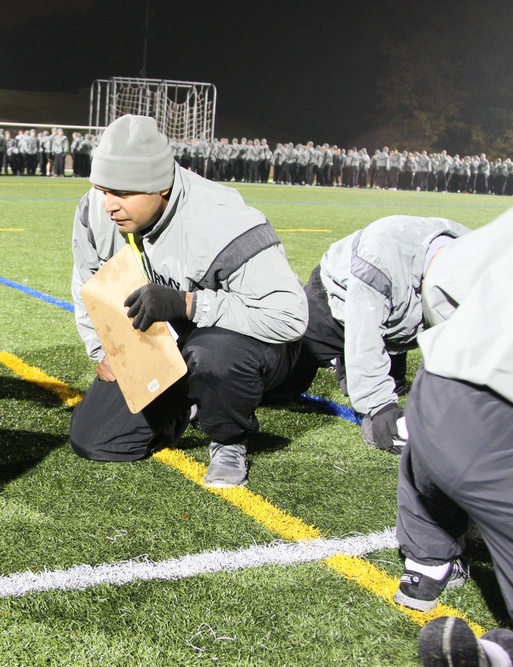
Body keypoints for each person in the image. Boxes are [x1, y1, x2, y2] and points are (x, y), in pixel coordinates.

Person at [69, 115, 307, 488]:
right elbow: (89, 281)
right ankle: (189, 402)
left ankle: (229, 439)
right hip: (171, 338)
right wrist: (104, 347)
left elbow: (289, 317)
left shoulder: (221, 221)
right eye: (102, 189)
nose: (109, 205)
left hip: (246, 341)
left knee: (215, 357)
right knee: (97, 439)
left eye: (123, 193)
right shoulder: (94, 210)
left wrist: (188, 304)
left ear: (161, 187)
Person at [388, 210, 513, 667]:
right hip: (498, 413)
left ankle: (425, 566)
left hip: (437, 390)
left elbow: (448, 277)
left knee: (429, 487)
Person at [272, 215, 469, 452]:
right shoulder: (380, 259)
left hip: (397, 320)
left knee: (394, 385)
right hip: (335, 304)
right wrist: (379, 408)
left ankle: (361, 363)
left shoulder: (471, 254)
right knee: (284, 384)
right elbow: (364, 335)